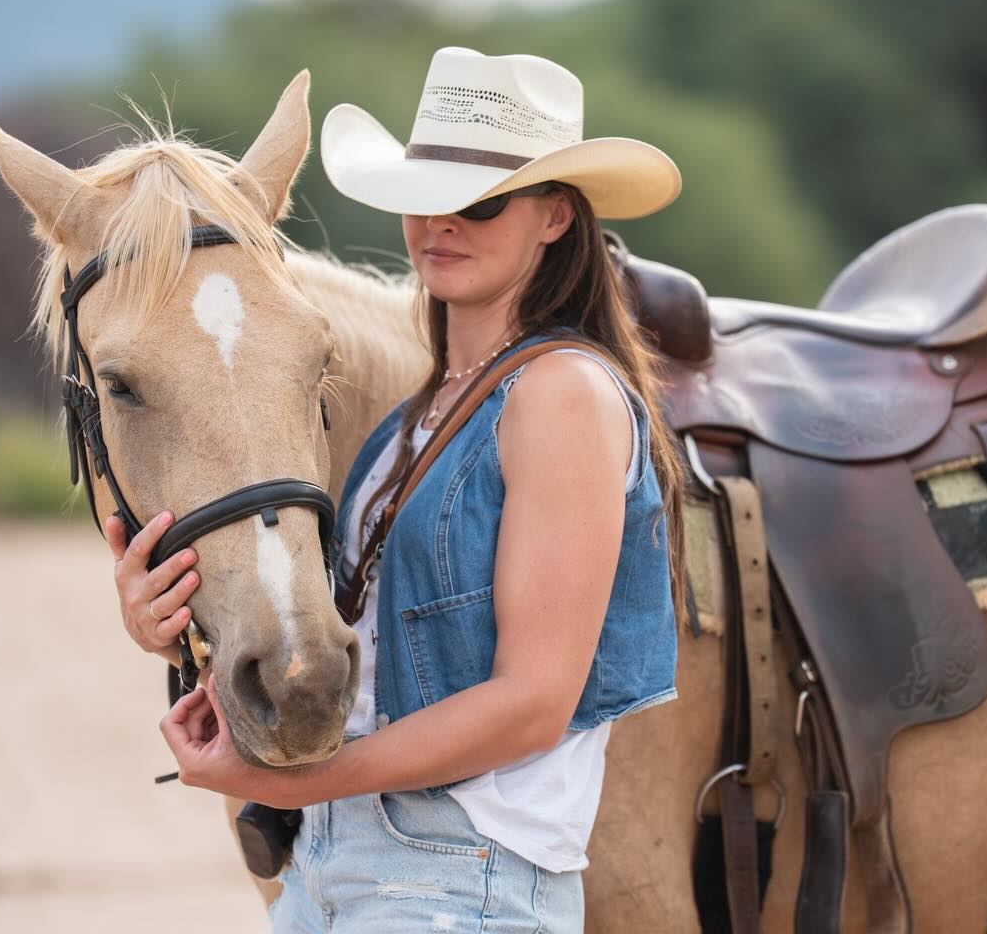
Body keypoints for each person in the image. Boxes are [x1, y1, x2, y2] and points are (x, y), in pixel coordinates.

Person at [104, 46, 689, 931]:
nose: (443, 221)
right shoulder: (419, 414)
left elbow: (533, 704)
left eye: (482, 200)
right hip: (339, 871)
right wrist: (170, 628)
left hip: (462, 879)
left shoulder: (561, 394)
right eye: (426, 192)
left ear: (555, 218)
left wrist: (282, 780)